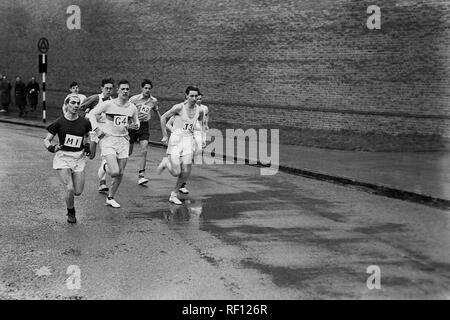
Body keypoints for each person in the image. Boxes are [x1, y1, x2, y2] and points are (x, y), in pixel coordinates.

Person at [88, 79, 140, 208]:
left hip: (123, 140)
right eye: (122, 89)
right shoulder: (108, 104)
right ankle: (104, 167)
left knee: (121, 173)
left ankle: (110, 197)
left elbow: (137, 122)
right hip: (108, 139)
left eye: (127, 89)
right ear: (118, 90)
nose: (125, 91)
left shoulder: (132, 107)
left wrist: (134, 126)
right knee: (115, 172)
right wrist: (97, 129)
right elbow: (91, 114)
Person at [43, 94, 93, 223]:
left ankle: (71, 199)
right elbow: (47, 140)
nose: (76, 105)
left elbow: (87, 135)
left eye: (78, 103)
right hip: (63, 157)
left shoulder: (85, 122)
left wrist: (87, 145)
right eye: (73, 103)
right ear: (66, 105)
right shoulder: (59, 122)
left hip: (78, 158)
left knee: (78, 191)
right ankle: (71, 212)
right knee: (69, 188)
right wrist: (51, 148)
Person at [157, 86, 205, 205]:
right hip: (176, 140)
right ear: (186, 96)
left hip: (188, 141)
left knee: (186, 171)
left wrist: (201, 139)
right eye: (191, 96)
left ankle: (174, 194)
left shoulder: (200, 110)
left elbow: (201, 124)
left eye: (196, 96)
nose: (194, 98)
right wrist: (165, 135)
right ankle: (166, 162)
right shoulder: (179, 107)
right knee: (176, 172)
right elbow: (163, 117)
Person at [80, 78, 114, 192]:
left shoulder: (113, 102)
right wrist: (90, 115)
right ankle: (82, 153)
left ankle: (102, 183)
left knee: (105, 156)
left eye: (110, 88)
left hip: (106, 133)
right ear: (102, 88)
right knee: (91, 156)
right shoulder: (96, 98)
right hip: (95, 131)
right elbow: (81, 107)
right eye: (106, 88)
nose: (108, 90)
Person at [128, 79, 161, 185]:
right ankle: (117, 167)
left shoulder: (153, 100)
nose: (147, 90)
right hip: (133, 125)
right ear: (141, 88)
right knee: (128, 152)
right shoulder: (134, 99)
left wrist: (161, 121)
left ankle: (141, 176)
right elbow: (126, 110)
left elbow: (156, 110)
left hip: (144, 126)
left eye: (149, 88)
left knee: (144, 150)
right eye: (145, 88)